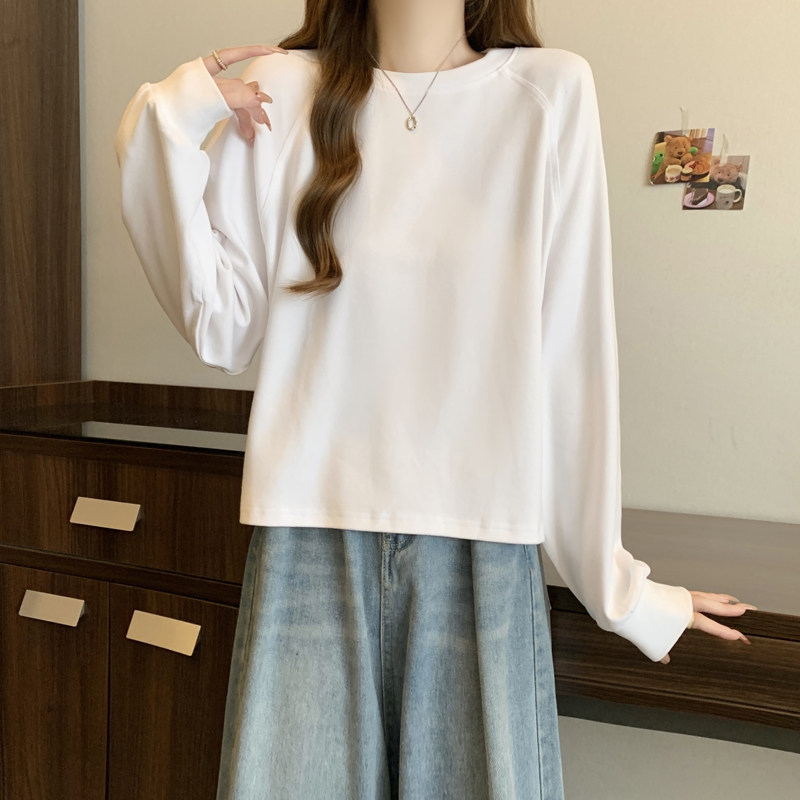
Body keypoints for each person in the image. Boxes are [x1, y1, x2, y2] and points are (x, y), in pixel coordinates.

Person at [114, 1, 757, 797]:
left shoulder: (550, 91)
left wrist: (618, 588)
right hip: (308, 537)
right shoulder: (284, 86)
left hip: (482, 548)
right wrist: (169, 123)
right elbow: (222, 328)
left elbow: (573, 354)